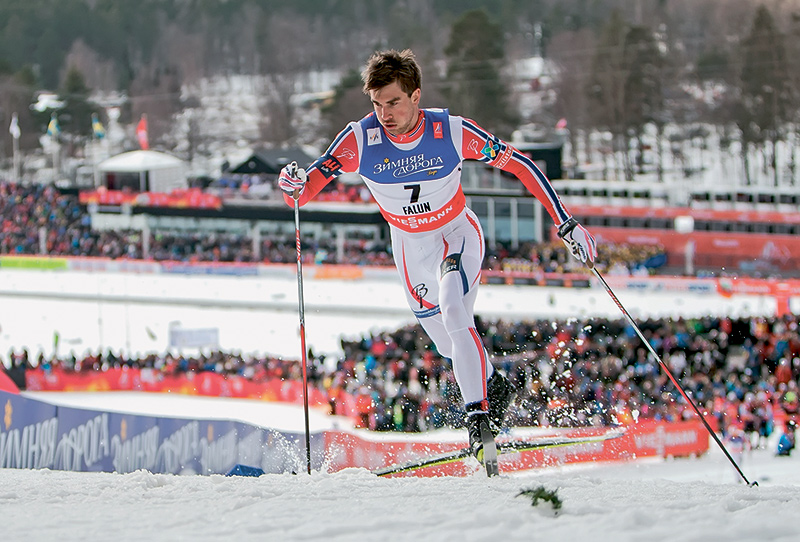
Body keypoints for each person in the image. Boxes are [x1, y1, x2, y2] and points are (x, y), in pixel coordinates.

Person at [278, 49, 596, 464]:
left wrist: (565, 222)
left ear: (415, 96)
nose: (384, 114)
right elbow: (306, 188)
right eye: (376, 104)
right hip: (410, 249)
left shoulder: (450, 131)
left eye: (393, 102)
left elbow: (520, 165)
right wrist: (292, 183)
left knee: (454, 310)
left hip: (455, 234)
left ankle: (478, 422)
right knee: (449, 346)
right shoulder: (360, 138)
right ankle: (494, 388)